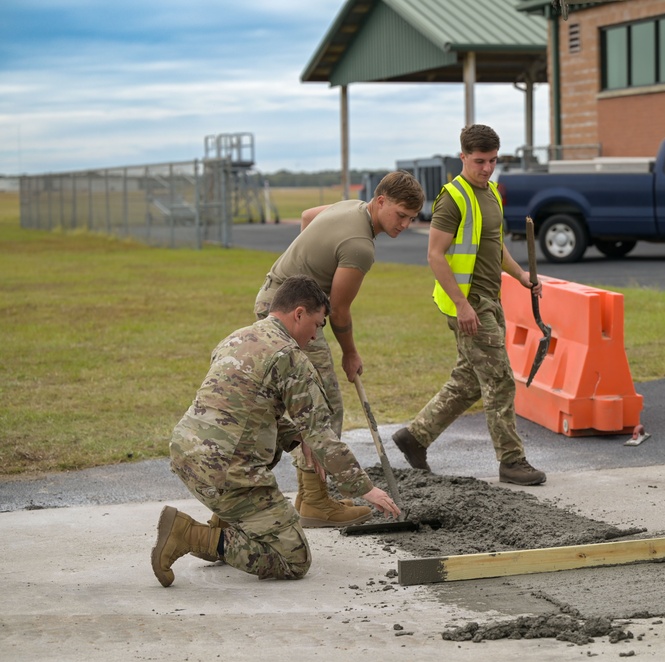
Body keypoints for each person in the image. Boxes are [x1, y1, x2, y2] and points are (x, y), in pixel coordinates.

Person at [152, 276, 402, 587]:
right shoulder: (290, 357)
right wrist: (365, 488)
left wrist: (296, 436)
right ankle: (191, 535)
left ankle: (228, 521)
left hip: (187, 455)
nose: (314, 336)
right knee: (293, 559)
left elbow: (243, 407)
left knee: (262, 452)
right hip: (227, 472)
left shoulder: (236, 338)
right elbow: (321, 434)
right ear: (298, 313)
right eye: (317, 324)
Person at [254, 171, 424, 528]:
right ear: (381, 202)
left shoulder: (350, 206)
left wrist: (305, 275)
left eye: (412, 218)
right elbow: (341, 311)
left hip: (281, 301)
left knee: (311, 402)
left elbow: (307, 218)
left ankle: (310, 495)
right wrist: (350, 354)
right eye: (400, 215)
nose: (405, 224)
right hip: (290, 314)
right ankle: (316, 502)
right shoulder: (360, 247)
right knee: (324, 406)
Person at [391, 124, 546, 486]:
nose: (487, 168)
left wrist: (522, 276)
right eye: (479, 161)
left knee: (468, 381)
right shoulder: (452, 198)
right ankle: (511, 460)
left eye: (492, 161)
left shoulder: (492, 193)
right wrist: (462, 305)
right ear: (463, 157)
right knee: (500, 380)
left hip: (490, 301)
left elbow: (495, 246)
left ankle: (415, 437)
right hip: (468, 304)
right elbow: (435, 255)